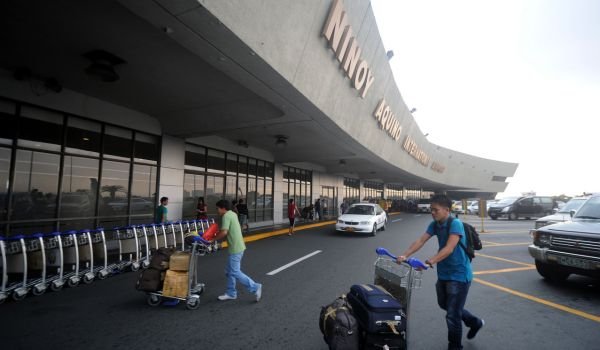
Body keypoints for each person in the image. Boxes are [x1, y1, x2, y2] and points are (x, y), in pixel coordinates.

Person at [397, 194, 483, 350]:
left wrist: (430, 261)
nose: (432, 212)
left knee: (452, 315)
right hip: (444, 274)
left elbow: (449, 248)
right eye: (431, 210)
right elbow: (421, 240)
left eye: (435, 210)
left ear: (446, 210)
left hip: (459, 275)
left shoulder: (455, 223)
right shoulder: (435, 225)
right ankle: (474, 322)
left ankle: (455, 346)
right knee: (445, 304)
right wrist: (405, 255)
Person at [212, 199, 262, 302]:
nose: (217, 210)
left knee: (234, 272)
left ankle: (255, 287)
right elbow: (231, 230)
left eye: (218, 208)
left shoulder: (226, 216)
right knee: (230, 271)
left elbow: (224, 232)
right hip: (238, 246)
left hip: (235, 248)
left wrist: (213, 240)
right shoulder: (233, 214)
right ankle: (231, 293)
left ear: (223, 208)